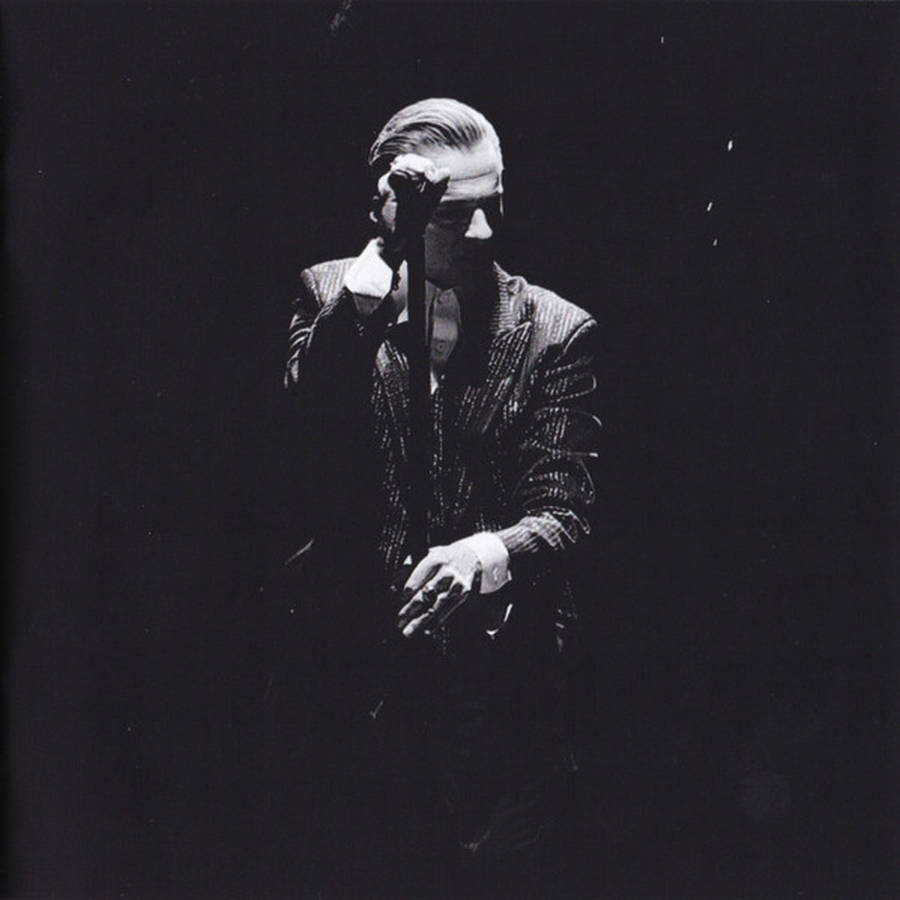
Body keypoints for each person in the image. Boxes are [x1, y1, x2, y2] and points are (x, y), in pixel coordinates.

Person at [281, 98, 601, 898]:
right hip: (353, 674)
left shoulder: (555, 331)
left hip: (496, 696)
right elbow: (304, 415)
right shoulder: (331, 293)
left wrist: (484, 554)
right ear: (390, 207)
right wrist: (384, 260)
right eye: (456, 214)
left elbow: (565, 510)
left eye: (496, 201)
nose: (485, 231)